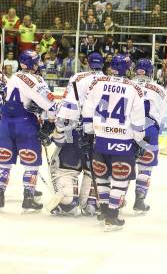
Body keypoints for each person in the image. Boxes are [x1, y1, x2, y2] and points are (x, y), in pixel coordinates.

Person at [82, 54, 146, 231]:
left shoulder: (98, 83)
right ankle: (112, 215)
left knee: (101, 175)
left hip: (100, 137)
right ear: (127, 68)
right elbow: (138, 119)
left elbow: (88, 109)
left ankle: (103, 210)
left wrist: (88, 132)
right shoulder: (134, 88)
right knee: (120, 177)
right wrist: (139, 139)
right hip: (123, 140)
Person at [49, 52, 105, 216]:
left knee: (66, 166)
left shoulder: (79, 78)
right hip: (101, 133)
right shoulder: (110, 81)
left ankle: (68, 203)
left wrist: (59, 132)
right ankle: (92, 204)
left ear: (87, 62)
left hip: (76, 131)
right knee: (94, 169)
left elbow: (69, 107)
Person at [0, 50, 57, 211]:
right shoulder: (34, 80)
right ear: (33, 63)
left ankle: (0, 195)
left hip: (4, 125)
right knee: (30, 164)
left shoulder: (13, 77)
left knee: (4, 163)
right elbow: (51, 105)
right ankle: (28, 197)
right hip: (25, 125)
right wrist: (50, 123)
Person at [131, 59, 167, 213]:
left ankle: (117, 199)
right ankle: (140, 200)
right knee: (145, 167)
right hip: (150, 128)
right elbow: (163, 112)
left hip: (130, 128)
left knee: (124, 164)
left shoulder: (127, 85)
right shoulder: (159, 89)